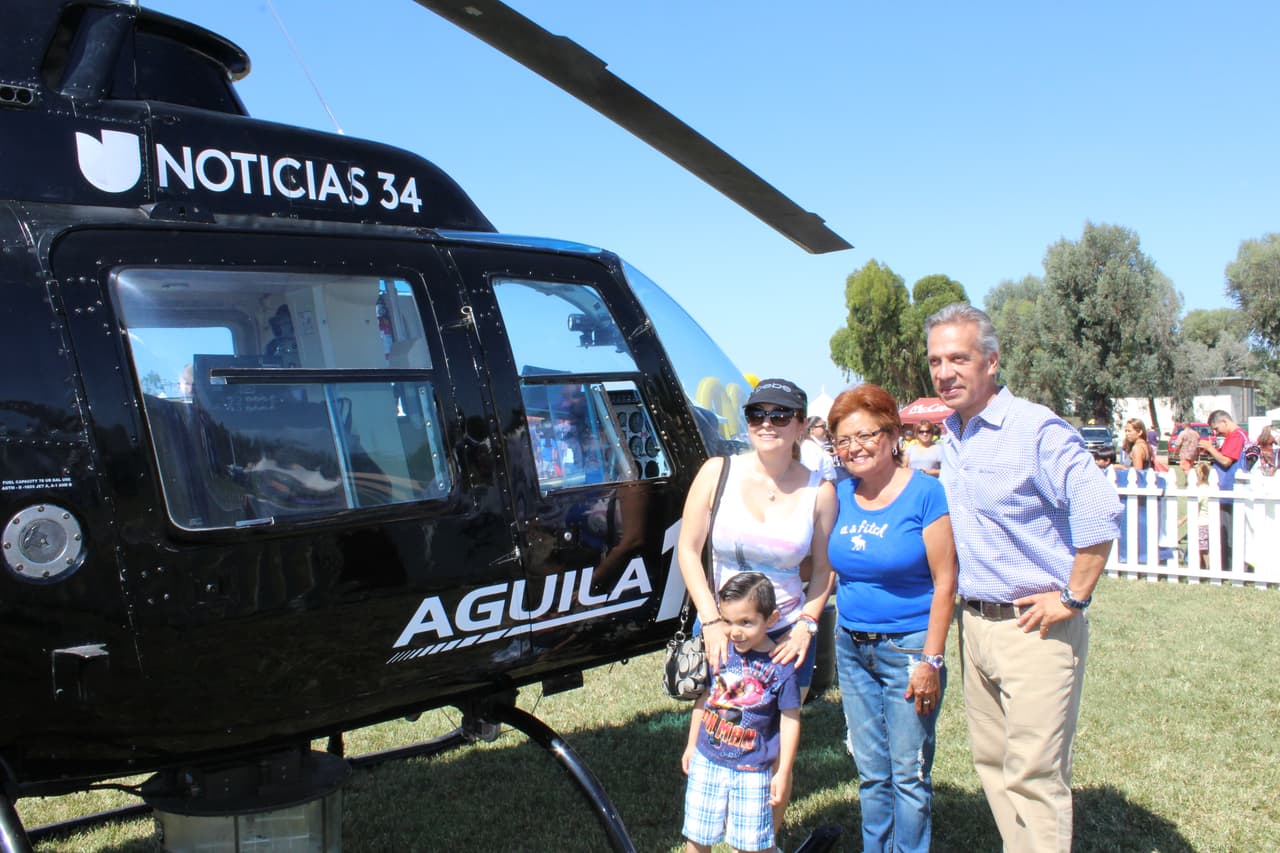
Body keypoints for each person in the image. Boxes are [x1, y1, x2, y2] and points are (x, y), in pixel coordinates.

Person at [924, 303, 1122, 853]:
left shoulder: (1034, 428)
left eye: (958, 358)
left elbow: (1098, 509)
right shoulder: (953, 434)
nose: (945, 372)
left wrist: (1073, 596)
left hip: (1034, 628)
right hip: (977, 625)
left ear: (991, 360)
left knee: (1035, 776)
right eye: (937, 360)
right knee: (993, 764)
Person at [676, 377, 836, 830]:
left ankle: (766, 836)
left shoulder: (818, 491)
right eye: (756, 414)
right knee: (718, 729)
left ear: (801, 425)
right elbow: (688, 551)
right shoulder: (717, 472)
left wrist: (807, 621)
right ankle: (706, 829)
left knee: (772, 743)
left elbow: (824, 570)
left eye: (780, 415)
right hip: (722, 627)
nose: (767, 423)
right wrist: (709, 621)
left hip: (786, 635)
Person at [826, 384, 957, 853]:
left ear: (894, 434)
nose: (854, 448)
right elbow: (824, 569)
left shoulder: (926, 494)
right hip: (852, 646)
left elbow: (946, 582)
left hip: (908, 647)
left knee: (909, 772)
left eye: (866, 435)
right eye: (843, 440)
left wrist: (931, 660)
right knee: (870, 771)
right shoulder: (840, 494)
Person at [681, 572, 801, 853]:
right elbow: (704, 699)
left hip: (752, 770)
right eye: (728, 621)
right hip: (707, 762)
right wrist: (691, 745)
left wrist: (783, 771)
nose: (735, 631)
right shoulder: (721, 651)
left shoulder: (780, 667)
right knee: (697, 838)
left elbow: (790, 720)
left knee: (752, 846)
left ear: (771, 619)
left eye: (746, 622)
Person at [1199, 410, 1248, 568]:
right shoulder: (1234, 436)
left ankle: (1232, 566)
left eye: (1216, 428)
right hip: (1228, 491)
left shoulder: (1236, 436)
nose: (1216, 432)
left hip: (1230, 491)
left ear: (1225, 421)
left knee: (1230, 532)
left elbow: (1226, 461)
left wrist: (1210, 447)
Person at [800, 415, 838, 481]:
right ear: (812, 430)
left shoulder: (815, 446)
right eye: (823, 426)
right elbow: (812, 474)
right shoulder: (809, 448)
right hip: (822, 488)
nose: (826, 429)